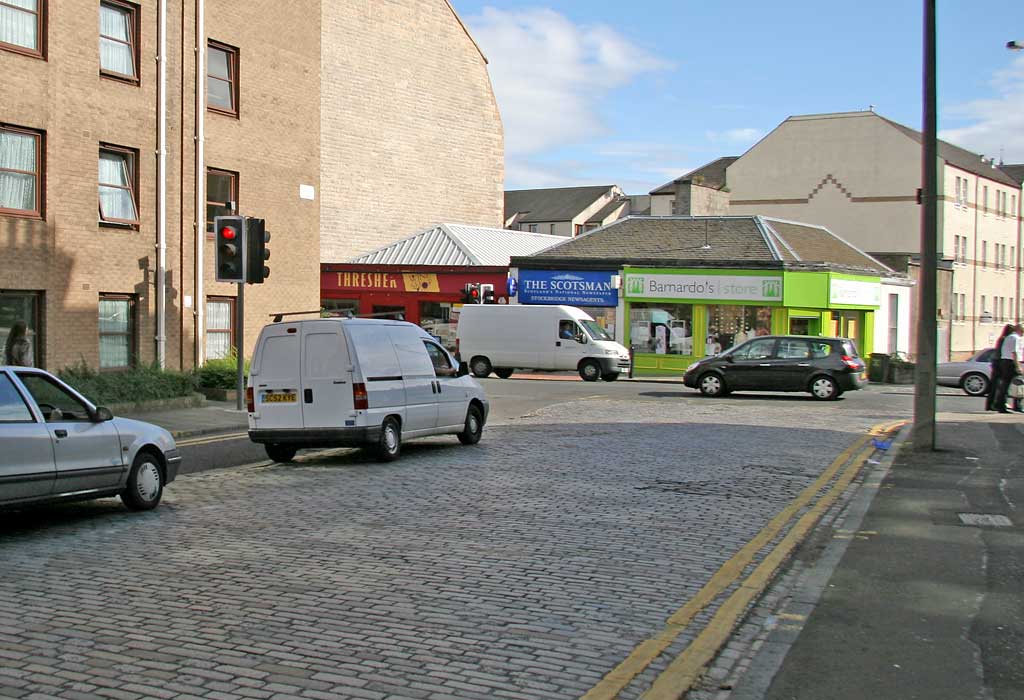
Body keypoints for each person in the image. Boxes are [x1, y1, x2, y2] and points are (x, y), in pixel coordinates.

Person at [991, 323, 1023, 414]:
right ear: (1020, 330)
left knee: (1006, 385)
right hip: (1011, 363)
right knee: (1017, 385)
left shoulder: (1009, 337)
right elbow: (1015, 353)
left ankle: (1000, 404)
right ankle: (1014, 406)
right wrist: (1018, 366)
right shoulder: (1015, 338)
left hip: (1005, 362)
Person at [986, 324, 1014, 411]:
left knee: (995, 385)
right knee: (998, 385)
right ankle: (995, 404)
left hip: (997, 362)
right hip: (999, 362)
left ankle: (991, 405)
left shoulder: (1001, 338)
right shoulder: (1005, 339)